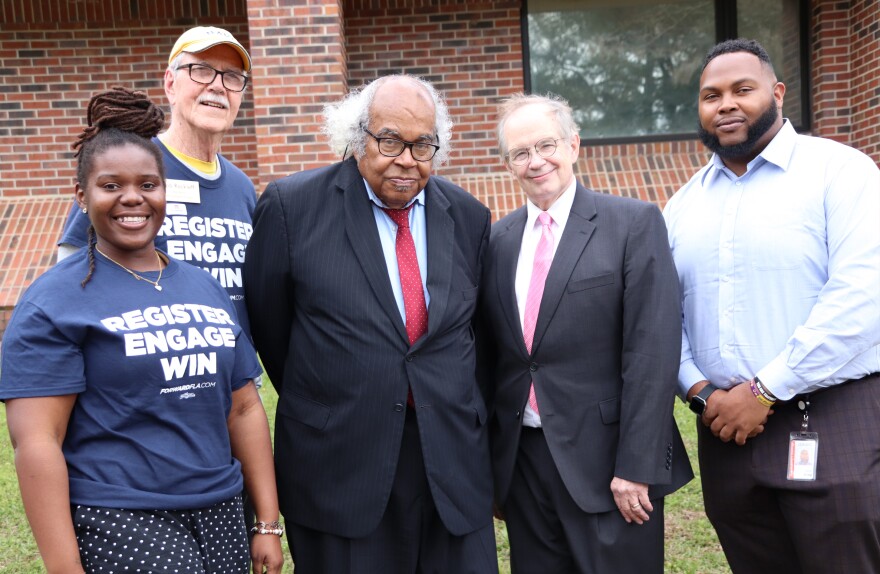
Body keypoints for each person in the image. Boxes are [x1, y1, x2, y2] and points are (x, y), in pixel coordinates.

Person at [0, 88, 283, 574]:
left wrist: (267, 522)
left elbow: (243, 406)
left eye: (148, 184)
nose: (133, 197)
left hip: (220, 506)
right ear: (81, 196)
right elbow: (37, 442)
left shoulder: (203, 285)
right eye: (111, 185)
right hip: (121, 513)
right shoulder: (53, 302)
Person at [243, 74, 498, 573]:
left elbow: (479, 338)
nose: (406, 158)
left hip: (448, 466)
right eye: (389, 141)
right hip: (341, 466)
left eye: (422, 144)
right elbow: (272, 332)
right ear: (357, 137)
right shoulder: (291, 208)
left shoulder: (468, 217)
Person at [664, 38, 880, 574]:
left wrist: (765, 390)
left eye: (743, 89)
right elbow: (664, 317)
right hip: (726, 434)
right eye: (711, 95)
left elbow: (863, 293)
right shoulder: (682, 205)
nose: (726, 105)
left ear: (777, 93)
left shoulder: (839, 172)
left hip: (832, 415)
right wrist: (698, 388)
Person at [479, 93, 692, 574]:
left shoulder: (632, 224)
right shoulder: (497, 240)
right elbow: (494, 357)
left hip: (608, 465)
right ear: (508, 164)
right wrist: (497, 471)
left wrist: (635, 467)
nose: (536, 162)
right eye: (520, 153)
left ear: (573, 144)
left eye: (546, 145)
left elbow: (652, 353)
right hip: (524, 463)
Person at [57, 25, 256, 337]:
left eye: (232, 77)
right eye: (201, 70)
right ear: (170, 83)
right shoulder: (131, 165)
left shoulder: (242, 187)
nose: (218, 86)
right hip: (145, 369)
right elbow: (70, 266)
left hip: (232, 374)